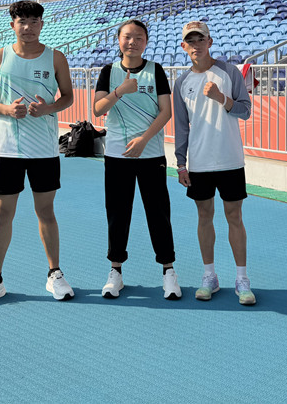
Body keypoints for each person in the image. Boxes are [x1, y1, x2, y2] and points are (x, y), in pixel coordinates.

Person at [0, 0, 75, 309]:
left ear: (42, 24)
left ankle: (55, 274)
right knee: (3, 214)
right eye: (22, 21)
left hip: (44, 150)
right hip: (8, 150)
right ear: (12, 24)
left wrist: (48, 108)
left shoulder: (56, 57)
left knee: (46, 211)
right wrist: (6, 109)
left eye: (33, 21)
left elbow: (67, 96)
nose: (28, 27)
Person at [92, 19, 179, 300]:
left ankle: (168, 270)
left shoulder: (156, 70)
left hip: (150, 153)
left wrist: (143, 140)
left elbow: (166, 111)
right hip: (117, 154)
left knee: (158, 212)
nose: (133, 42)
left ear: (146, 41)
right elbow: (97, 109)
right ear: (119, 40)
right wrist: (119, 91)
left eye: (139, 37)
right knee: (118, 212)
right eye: (127, 37)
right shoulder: (109, 71)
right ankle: (115, 270)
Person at [173, 21, 256, 305]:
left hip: (230, 159)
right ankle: (210, 276)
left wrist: (222, 98)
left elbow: (245, 111)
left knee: (235, 217)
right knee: (204, 216)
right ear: (184, 46)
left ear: (210, 42)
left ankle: (242, 279)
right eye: (190, 41)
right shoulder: (182, 83)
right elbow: (181, 127)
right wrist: (181, 163)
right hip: (199, 162)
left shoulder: (229, 72)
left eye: (201, 40)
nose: (196, 45)